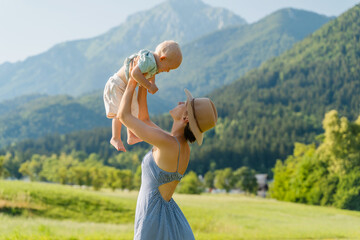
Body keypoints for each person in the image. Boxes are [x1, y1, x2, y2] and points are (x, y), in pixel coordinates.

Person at [118, 76, 218, 240]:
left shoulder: (169, 144)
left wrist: (132, 81)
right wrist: (145, 81)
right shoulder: (177, 144)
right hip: (166, 217)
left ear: (186, 118)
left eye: (184, 104)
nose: (180, 102)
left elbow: (124, 116)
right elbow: (144, 119)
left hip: (154, 219)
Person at [103, 40, 182, 152]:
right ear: (162, 58)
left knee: (133, 110)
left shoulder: (154, 63)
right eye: (169, 68)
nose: (168, 71)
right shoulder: (149, 61)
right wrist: (149, 86)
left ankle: (131, 136)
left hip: (126, 86)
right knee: (119, 112)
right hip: (116, 84)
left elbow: (151, 73)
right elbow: (135, 73)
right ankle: (115, 137)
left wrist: (152, 83)